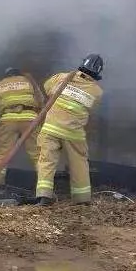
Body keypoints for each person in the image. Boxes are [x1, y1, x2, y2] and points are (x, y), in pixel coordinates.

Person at [34, 54, 104, 206]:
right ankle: (82, 199)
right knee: (79, 163)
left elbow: (47, 88)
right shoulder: (97, 91)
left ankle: (44, 197)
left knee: (46, 162)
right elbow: (91, 109)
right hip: (73, 133)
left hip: (50, 128)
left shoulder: (61, 77)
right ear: (97, 73)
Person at [0, 67, 42, 187]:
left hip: (8, 120)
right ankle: (45, 184)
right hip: (30, 119)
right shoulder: (29, 82)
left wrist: (4, 113)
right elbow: (40, 101)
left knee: (1, 152)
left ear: (6, 76)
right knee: (37, 152)